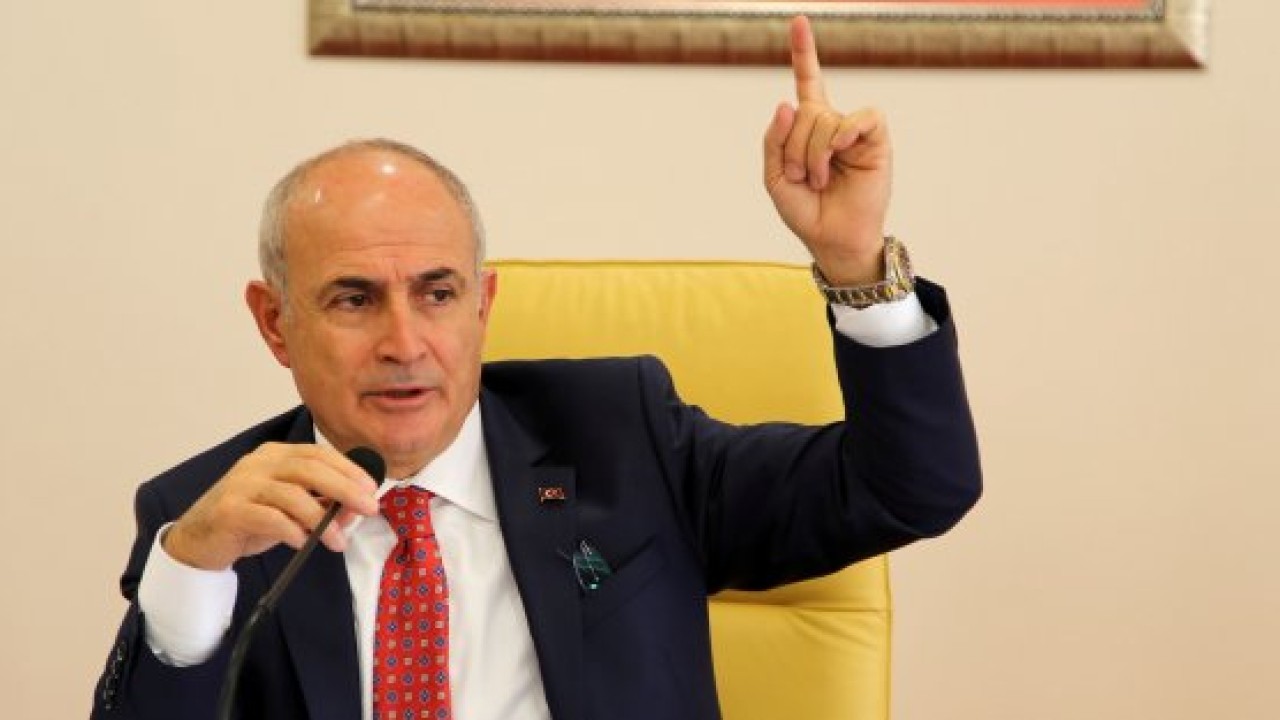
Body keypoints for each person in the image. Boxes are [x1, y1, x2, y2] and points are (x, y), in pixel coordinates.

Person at [91, 16, 980, 720]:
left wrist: (858, 267)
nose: (405, 342)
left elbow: (914, 487)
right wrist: (190, 575)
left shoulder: (623, 438)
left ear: (483, 307)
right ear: (274, 323)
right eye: (354, 299)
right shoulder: (210, 521)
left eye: (438, 293)